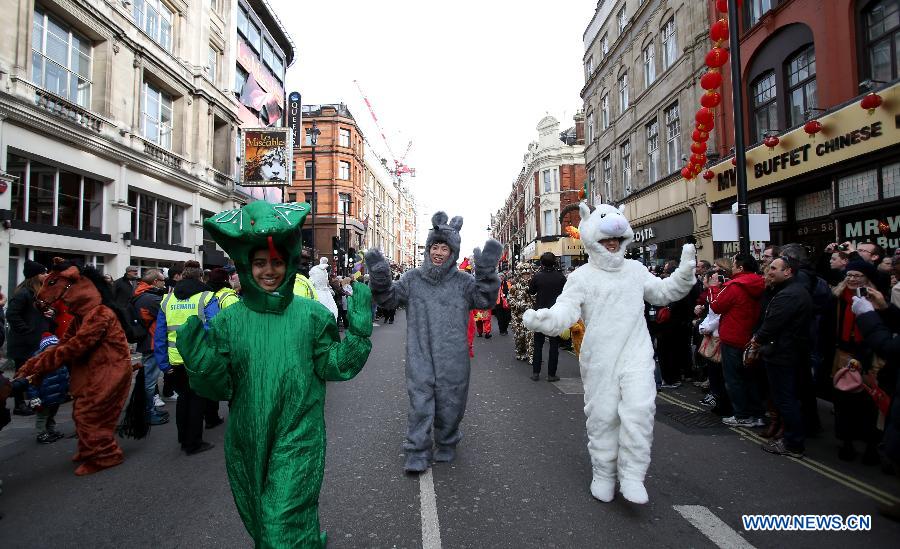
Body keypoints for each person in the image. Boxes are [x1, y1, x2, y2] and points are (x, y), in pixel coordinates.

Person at [176, 200, 372, 546]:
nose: (269, 270)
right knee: (261, 522)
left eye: (277, 262)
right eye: (260, 263)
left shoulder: (312, 315)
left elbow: (334, 365)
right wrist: (200, 362)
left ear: (290, 263)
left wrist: (357, 334)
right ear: (246, 266)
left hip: (299, 434)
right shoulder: (228, 320)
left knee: (280, 523)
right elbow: (222, 387)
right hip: (247, 437)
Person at [524, 202, 696, 504]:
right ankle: (603, 473)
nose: (612, 244)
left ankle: (632, 475)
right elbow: (566, 311)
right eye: (606, 240)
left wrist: (683, 275)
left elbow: (663, 292)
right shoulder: (581, 277)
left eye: (616, 239)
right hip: (600, 359)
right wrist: (544, 319)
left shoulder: (636, 270)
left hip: (636, 354)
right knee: (603, 417)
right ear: (593, 240)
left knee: (640, 412)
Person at [365, 211, 501, 473]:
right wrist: (380, 275)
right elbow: (388, 301)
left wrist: (486, 274)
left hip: (454, 357)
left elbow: (485, 301)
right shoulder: (413, 279)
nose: (439, 252)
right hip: (420, 355)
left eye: (444, 247)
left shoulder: (463, 282)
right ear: (428, 249)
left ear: (453, 252)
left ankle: (448, 441)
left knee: (451, 404)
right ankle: (417, 450)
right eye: (435, 246)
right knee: (419, 404)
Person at [15, 262, 133, 475]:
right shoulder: (82, 316)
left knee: (90, 412)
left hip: (109, 370)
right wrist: (37, 365)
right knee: (82, 411)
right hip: (93, 370)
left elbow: (76, 346)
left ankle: (106, 454)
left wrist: (38, 364)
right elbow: (65, 343)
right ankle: (90, 449)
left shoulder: (100, 314)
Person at [154, 260, 220, 455]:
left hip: (175, 360)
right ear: (200, 277)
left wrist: (164, 364)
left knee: (184, 399)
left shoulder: (167, 300)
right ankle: (193, 443)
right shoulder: (207, 297)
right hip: (198, 359)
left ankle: (183, 438)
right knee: (197, 400)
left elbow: (159, 334)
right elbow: (215, 329)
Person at [752, 257, 812, 459]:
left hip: (783, 353)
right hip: (786, 350)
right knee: (786, 398)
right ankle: (790, 439)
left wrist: (757, 340)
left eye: (774, 268)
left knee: (785, 399)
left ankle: (793, 443)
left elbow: (773, 323)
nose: (769, 272)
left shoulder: (789, 295)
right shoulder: (789, 291)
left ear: (788, 272)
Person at [828, 259, 881, 463]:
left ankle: (871, 446)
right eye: (849, 275)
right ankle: (846, 442)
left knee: (868, 402)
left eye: (857, 275)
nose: (852, 279)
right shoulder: (838, 297)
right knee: (844, 400)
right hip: (843, 353)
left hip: (868, 354)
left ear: (866, 278)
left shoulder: (876, 298)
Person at [710, 254, 766, 428]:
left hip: (733, 338)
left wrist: (713, 288)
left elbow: (716, 306)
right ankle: (757, 414)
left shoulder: (734, 286)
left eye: (734, 264)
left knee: (734, 379)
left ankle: (742, 414)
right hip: (751, 337)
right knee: (751, 378)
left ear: (741, 268)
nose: (732, 267)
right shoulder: (760, 283)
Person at [6, 260, 50, 416]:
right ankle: (19, 405)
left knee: (32, 375)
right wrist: (26, 330)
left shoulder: (36, 293)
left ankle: (32, 402)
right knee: (22, 374)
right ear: (34, 276)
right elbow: (11, 314)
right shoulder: (24, 292)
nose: (46, 275)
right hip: (23, 343)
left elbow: (32, 315)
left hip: (33, 341)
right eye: (43, 273)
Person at [132, 269, 169, 426]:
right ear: (155, 282)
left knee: (149, 379)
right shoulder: (150, 298)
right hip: (153, 342)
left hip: (148, 341)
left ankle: (149, 409)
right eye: (162, 281)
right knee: (150, 380)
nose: (164, 283)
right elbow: (167, 314)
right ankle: (148, 412)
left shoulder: (140, 294)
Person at [528, 252, 566, 382]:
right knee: (554, 345)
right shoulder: (560, 277)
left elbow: (531, 291)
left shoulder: (537, 276)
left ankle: (536, 373)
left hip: (540, 315)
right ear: (555, 262)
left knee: (538, 344)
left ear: (542, 263)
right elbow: (565, 294)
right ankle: (551, 374)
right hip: (555, 314)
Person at [26, 334, 70, 444]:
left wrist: (66, 390)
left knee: (51, 415)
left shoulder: (60, 361)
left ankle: (50, 430)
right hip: (43, 397)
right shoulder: (37, 364)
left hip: (56, 396)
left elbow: (64, 377)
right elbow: (31, 383)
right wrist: (34, 397)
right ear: (43, 350)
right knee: (42, 416)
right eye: (49, 349)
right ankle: (41, 434)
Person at [509, 262, 537, 362]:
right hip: (518, 316)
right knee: (519, 336)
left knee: (531, 336)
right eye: (524, 274)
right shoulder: (514, 287)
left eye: (528, 274)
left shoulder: (533, 285)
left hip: (531, 316)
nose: (526, 276)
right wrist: (520, 305)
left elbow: (537, 299)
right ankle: (520, 352)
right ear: (520, 275)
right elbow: (510, 300)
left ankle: (531, 356)